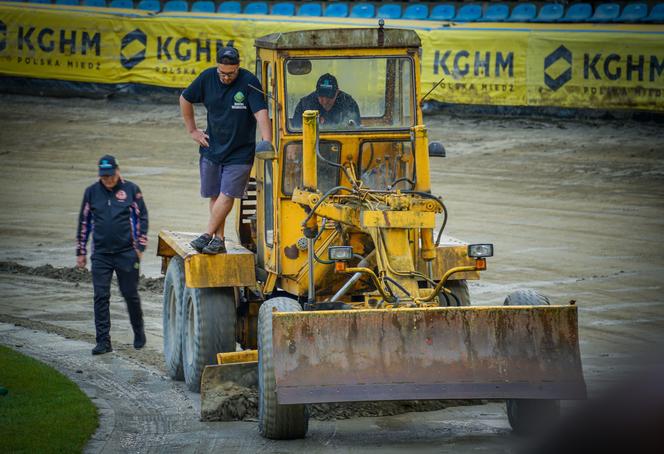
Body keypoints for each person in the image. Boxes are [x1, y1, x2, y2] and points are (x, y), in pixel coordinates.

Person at [180, 46, 272, 255]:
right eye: (222, 73)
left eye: (231, 73)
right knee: (215, 195)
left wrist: (266, 141)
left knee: (227, 193)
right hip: (211, 147)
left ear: (238, 68)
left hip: (240, 152)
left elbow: (261, 112)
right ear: (217, 67)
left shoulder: (249, 82)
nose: (226, 77)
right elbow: (185, 98)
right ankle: (218, 239)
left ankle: (206, 234)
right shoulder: (207, 78)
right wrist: (193, 130)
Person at [76, 155, 149, 355]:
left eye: (110, 175)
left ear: (117, 171)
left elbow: (142, 217)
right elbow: (84, 222)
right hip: (101, 255)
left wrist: (140, 248)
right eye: (104, 176)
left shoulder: (131, 189)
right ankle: (103, 342)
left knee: (130, 295)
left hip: (126, 254)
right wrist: (80, 251)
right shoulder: (91, 192)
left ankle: (139, 332)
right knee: (101, 296)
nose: (107, 180)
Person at [291, 73, 361, 129]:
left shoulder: (349, 105)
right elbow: (296, 132)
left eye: (329, 97)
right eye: (321, 96)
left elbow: (356, 130)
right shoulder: (304, 106)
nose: (325, 102)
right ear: (316, 93)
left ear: (337, 92)